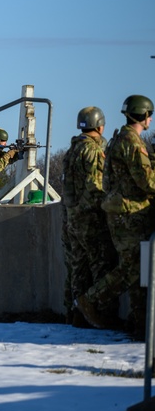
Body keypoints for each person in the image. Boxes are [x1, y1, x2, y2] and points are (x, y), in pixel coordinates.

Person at [77, 95, 155, 340]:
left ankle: (139, 323)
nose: (151, 119)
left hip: (122, 213)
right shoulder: (132, 142)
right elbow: (146, 181)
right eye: (149, 114)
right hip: (128, 216)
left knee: (136, 270)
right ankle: (90, 300)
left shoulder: (118, 140)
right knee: (133, 270)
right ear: (143, 115)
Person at [61, 106, 116, 325]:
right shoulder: (92, 151)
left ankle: (76, 314)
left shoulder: (73, 149)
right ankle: (100, 315)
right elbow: (95, 186)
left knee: (79, 268)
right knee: (100, 265)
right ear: (100, 125)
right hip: (89, 218)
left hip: (73, 218)